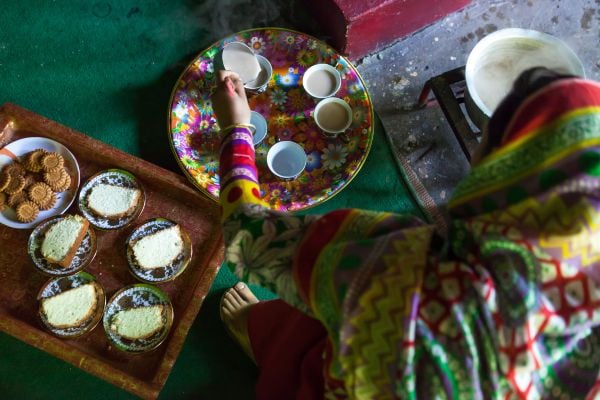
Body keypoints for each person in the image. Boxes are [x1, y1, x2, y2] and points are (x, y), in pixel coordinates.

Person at [212, 67, 600, 399]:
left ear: (505, 178)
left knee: (315, 300)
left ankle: (266, 342)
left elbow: (252, 236)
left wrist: (236, 129)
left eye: (491, 145)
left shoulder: (406, 279)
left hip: (360, 378)